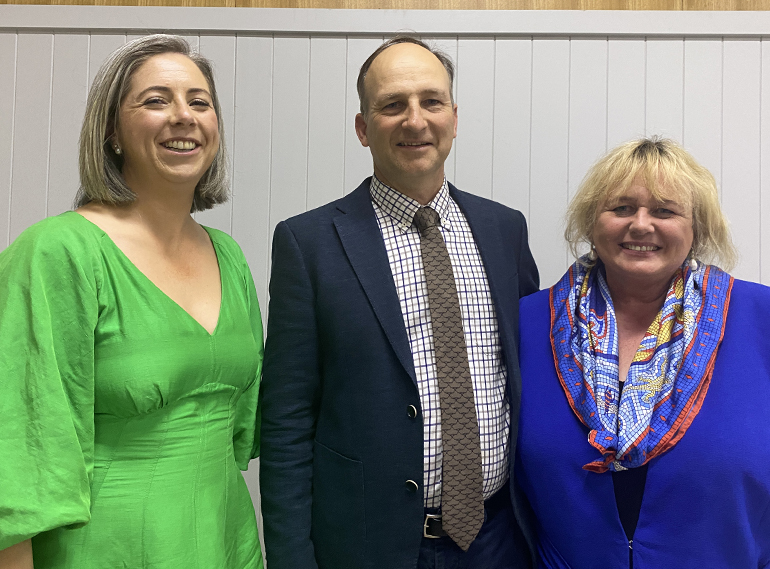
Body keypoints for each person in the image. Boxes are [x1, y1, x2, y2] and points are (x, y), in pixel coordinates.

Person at [260, 35, 539, 569]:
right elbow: (287, 420)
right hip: (372, 544)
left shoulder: (503, 229)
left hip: (500, 540)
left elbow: (530, 374)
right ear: (363, 128)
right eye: (393, 105)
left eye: (431, 102)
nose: (415, 120)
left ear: (454, 118)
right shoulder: (309, 242)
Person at [0, 35, 264, 569]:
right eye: (155, 100)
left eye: (199, 101)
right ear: (111, 132)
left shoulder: (228, 256)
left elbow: (241, 428)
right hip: (103, 547)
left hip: (224, 539)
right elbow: (20, 440)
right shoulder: (58, 251)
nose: (183, 117)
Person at [516, 137, 770, 568]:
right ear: (591, 222)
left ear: (698, 228)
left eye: (664, 211)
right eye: (621, 208)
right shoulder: (528, 321)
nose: (640, 225)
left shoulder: (759, 318)